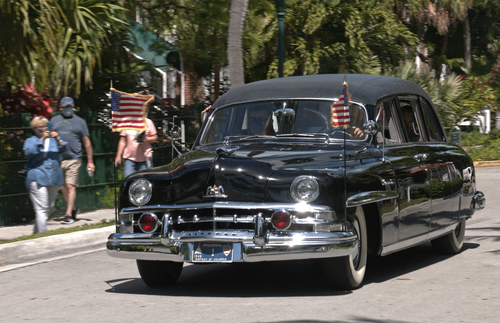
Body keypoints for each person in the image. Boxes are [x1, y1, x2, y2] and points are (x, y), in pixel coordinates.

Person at [50, 97, 95, 224]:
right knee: (61, 187)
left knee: (70, 185)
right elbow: (48, 138)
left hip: (74, 158)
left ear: (73, 107)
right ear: (61, 108)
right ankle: (74, 209)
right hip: (58, 159)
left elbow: (86, 142)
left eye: (70, 107)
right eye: (65, 107)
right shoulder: (54, 121)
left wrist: (90, 161)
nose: (68, 109)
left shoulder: (80, 122)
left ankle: (68, 214)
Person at [23, 116, 67, 233]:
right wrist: (41, 139)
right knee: (41, 208)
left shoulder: (53, 141)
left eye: (44, 126)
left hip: (53, 178)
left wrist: (58, 139)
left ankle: (36, 233)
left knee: (48, 208)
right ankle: (43, 234)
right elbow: (30, 152)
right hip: (38, 177)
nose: (42, 129)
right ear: (34, 128)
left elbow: (65, 149)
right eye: (39, 127)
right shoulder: (31, 141)